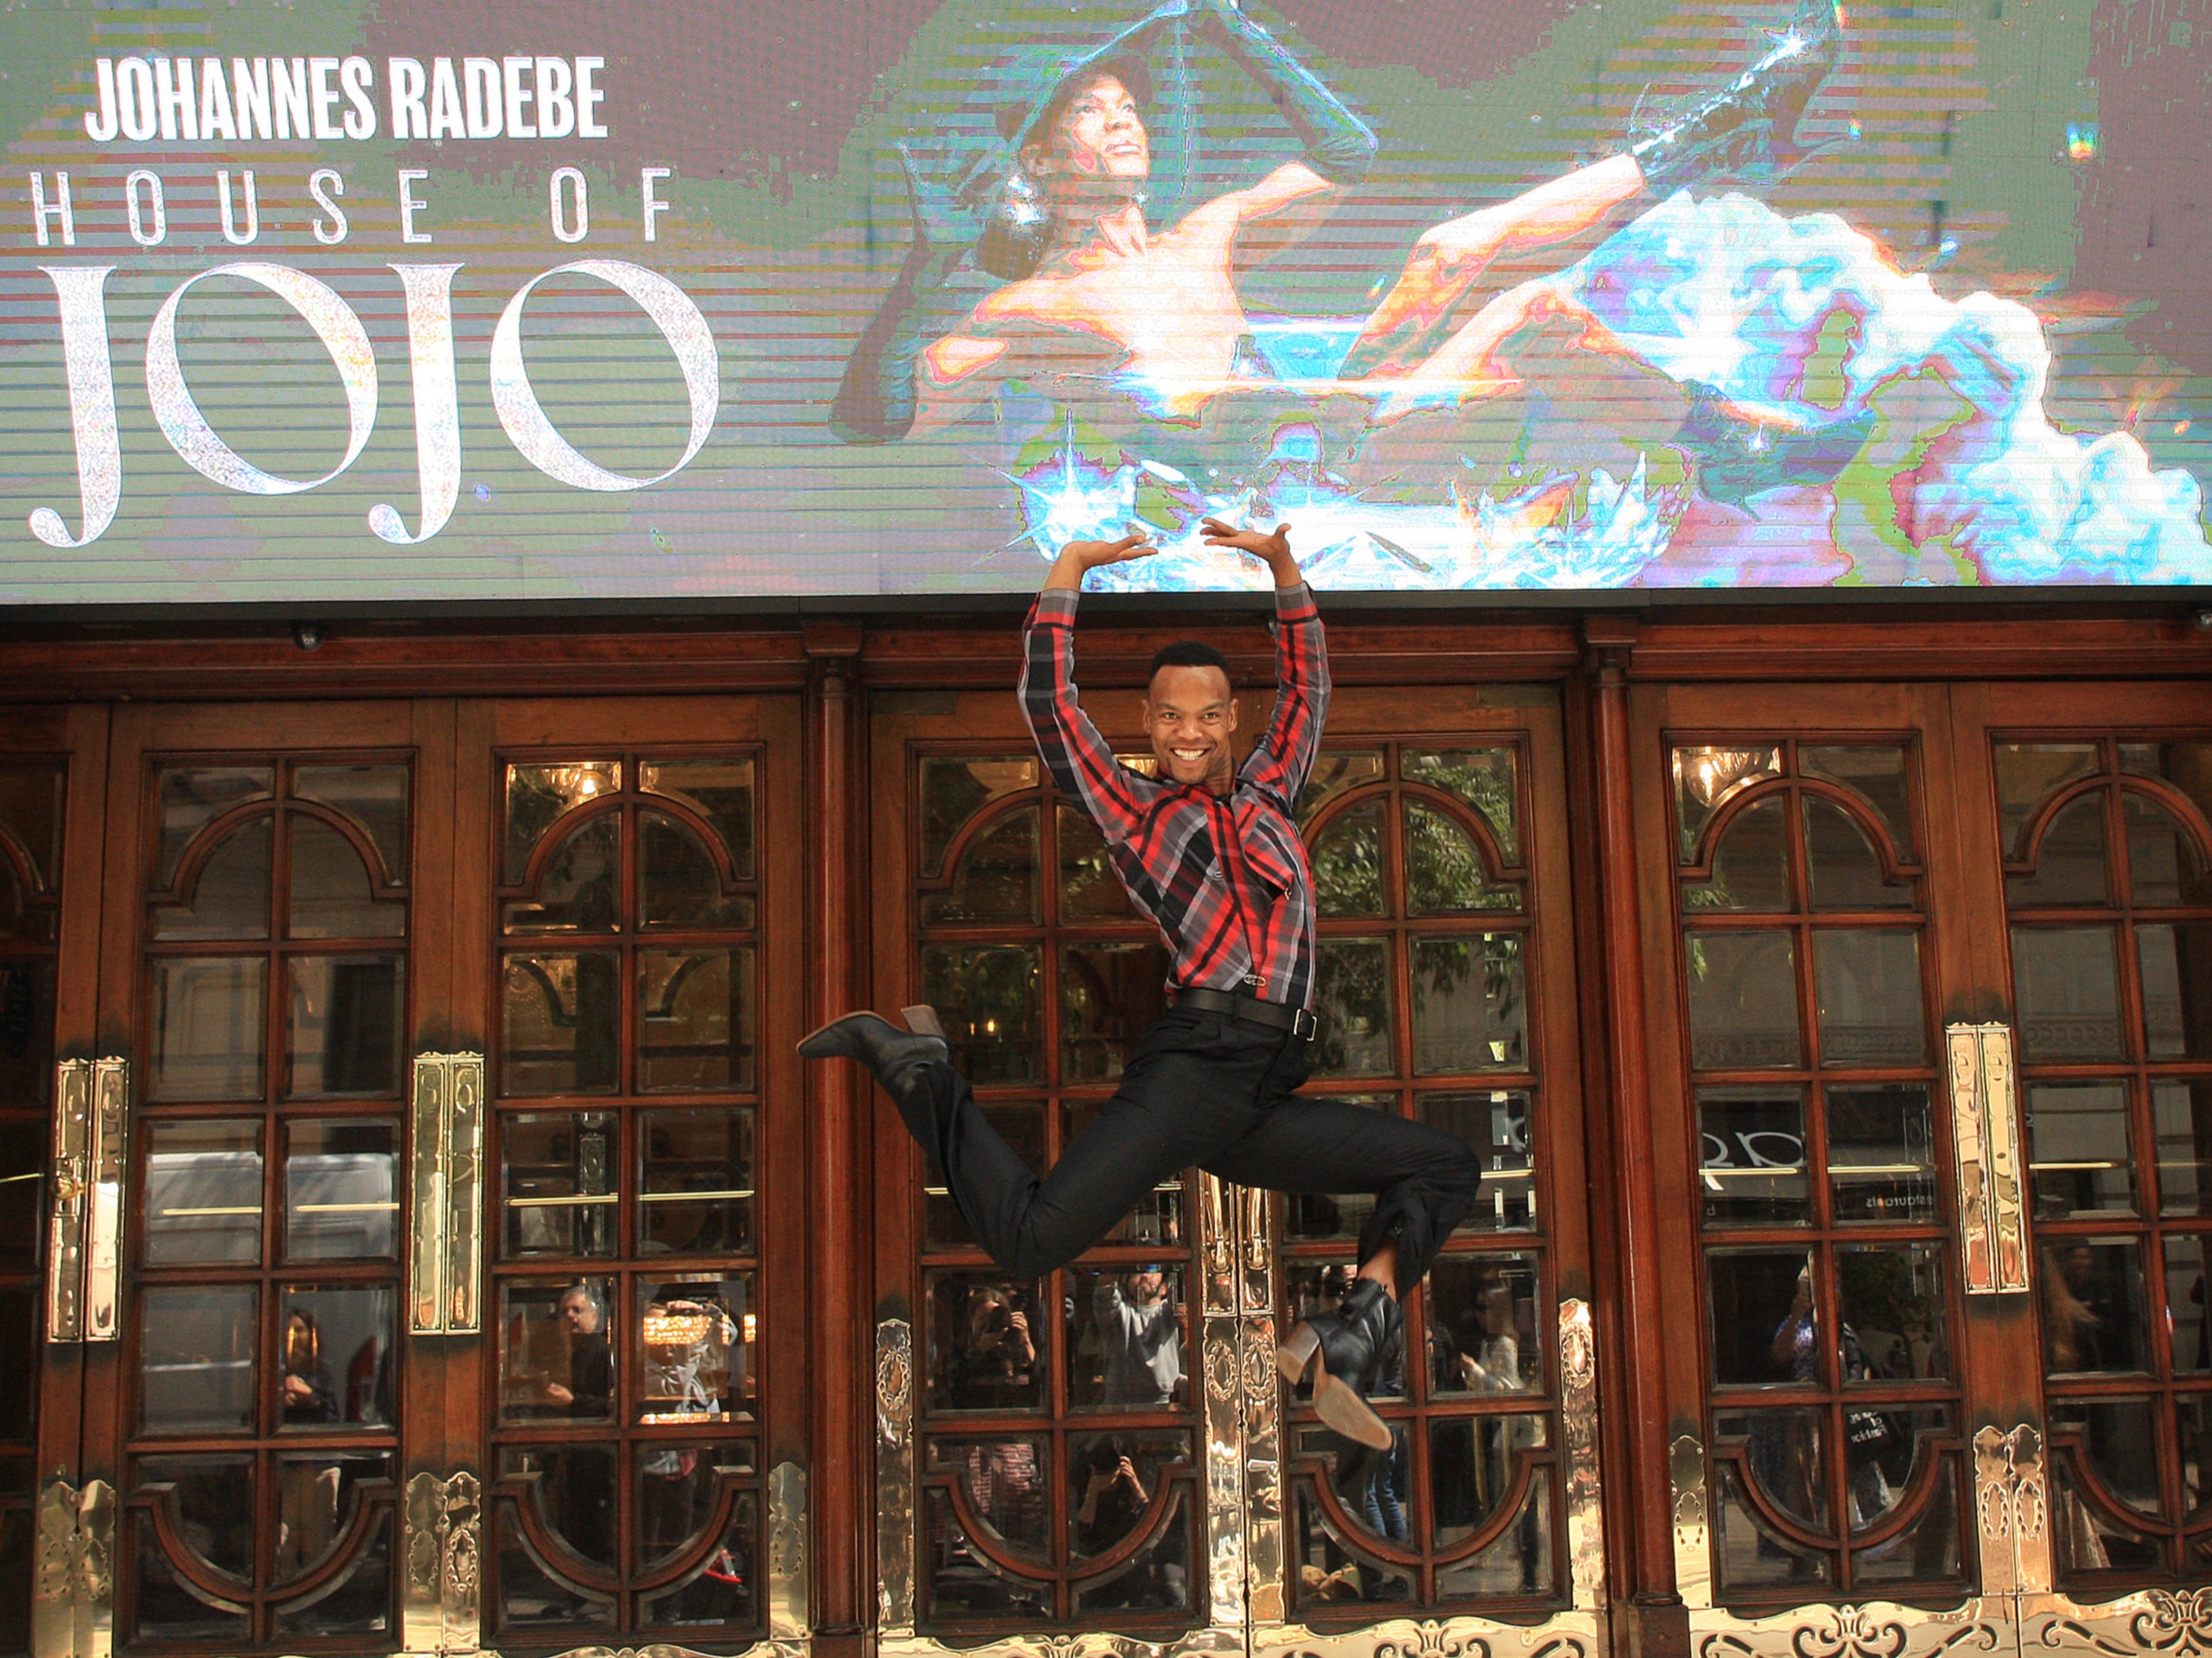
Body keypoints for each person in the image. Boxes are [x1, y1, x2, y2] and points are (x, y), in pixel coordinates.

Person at [801, 518, 1481, 1448]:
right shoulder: (1134, 810)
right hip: (1194, 1068)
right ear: (1149, 726)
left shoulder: (1273, 790)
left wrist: (1279, 565)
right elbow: (1050, 710)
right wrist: (1069, 572)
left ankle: (1349, 1332)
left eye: (1207, 715)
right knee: (1032, 1240)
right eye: (1169, 717)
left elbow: (1308, 681)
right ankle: (920, 1071)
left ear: (1232, 719)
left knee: (1442, 1165)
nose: (1189, 733)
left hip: (1259, 1091)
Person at [834, 0, 1857, 498]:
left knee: (1483, 273)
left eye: (1125, 104)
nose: (1123, 120)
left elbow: (1344, 151)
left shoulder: (1205, 235)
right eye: (1088, 114)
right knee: (1463, 272)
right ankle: (1730, 137)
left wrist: (1236, 28)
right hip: (1264, 494)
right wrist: (930, 268)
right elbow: (877, 416)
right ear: (1039, 170)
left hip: (1331, 442)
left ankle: (1732, 439)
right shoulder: (1035, 309)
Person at [1094, 1267, 1183, 1406]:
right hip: (1120, 1402)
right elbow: (1105, 1296)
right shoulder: (1118, 1313)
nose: (1145, 1275)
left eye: (1153, 1270)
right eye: (1137, 1271)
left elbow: (1182, 1287)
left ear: (1165, 1288)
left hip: (1164, 1401)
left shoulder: (1168, 1312)